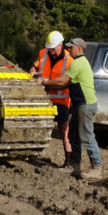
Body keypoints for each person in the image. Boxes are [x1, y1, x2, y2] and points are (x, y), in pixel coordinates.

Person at [40, 37, 102, 179]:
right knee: (73, 135)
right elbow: (63, 84)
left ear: (79, 48)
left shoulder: (78, 63)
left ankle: (96, 167)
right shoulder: (78, 62)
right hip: (80, 105)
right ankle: (75, 166)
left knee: (87, 136)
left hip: (85, 105)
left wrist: (44, 82)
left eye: (71, 47)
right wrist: (47, 84)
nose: (68, 49)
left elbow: (62, 81)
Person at [29, 30, 73, 167]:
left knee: (64, 130)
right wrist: (33, 71)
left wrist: (44, 83)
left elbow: (64, 82)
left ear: (61, 45)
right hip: (43, 98)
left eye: (53, 49)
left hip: (61, 101)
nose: (51, 52)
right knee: (36, 125)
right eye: (49, 49)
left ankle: (69, 160)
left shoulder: (69, 60)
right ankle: (30, 153)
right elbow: (35, 66)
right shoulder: (43, 53)